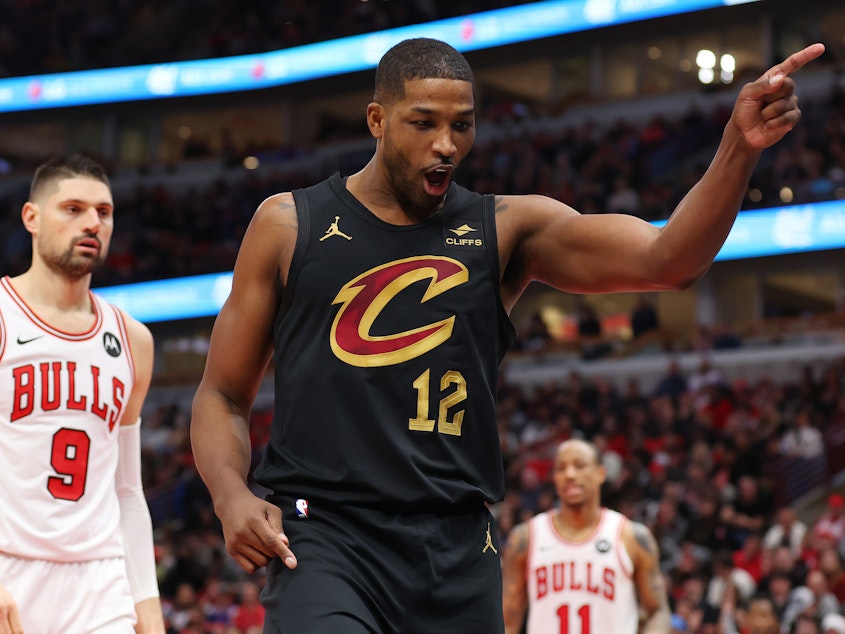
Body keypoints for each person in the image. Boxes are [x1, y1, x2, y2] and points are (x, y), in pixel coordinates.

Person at [189, 36, 824, 632]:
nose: (446, 144)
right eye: (424, 123)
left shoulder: (507, 228)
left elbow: (669, 261)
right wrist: (229, 495)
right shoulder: (288, 224)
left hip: (458, 546)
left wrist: (739, 148)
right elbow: (221, 394)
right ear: (377, 121)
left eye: (461, 125)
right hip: (325, 539)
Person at [0, 155, 164, 633]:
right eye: (72, 208)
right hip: (10, 566)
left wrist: (147, 607)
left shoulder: (133, 340)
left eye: (104, 212)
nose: (92, 222)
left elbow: (128, 490)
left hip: (100, 582)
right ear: (31, 217)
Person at [500, 439, 670, 633]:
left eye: (579, 466)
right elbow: (507, 620)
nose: (570, 475)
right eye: (561, 468)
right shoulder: (525, 538)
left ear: (600, 473)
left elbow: (658, 612)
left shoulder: (632, 536)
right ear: (554, 478)